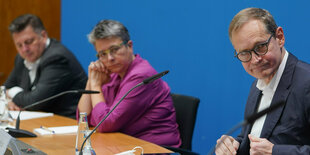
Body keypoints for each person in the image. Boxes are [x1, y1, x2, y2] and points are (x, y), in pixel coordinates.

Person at [215, 8, 310, 155]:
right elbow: (254, 140)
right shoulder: (257, 85)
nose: (255, 60)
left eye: (260, 47)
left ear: (279, 37)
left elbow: (269, 148)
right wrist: (234, 146)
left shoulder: (306, 82)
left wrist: (275, 151)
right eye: (245, 53)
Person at [77, 19, 181, 147]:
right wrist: (91, 81)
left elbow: (104, 123)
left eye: (114, 49)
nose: (110, 58)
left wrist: (96, 85)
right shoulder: (113, 74)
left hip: (151, 149)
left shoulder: (141, 76)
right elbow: (83, 120)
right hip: (124, 145)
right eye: (102, 54)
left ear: (130, 46)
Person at [4, 14, 87, 118]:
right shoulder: (21, 58)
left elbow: (35, 102)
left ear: (43, 36)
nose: (24, 49)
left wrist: (12, 92)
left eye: (28, 42)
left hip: (66, 122)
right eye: (19, 45)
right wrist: (9, 102)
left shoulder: (57, 58)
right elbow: (4, 89)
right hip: (40, 120)